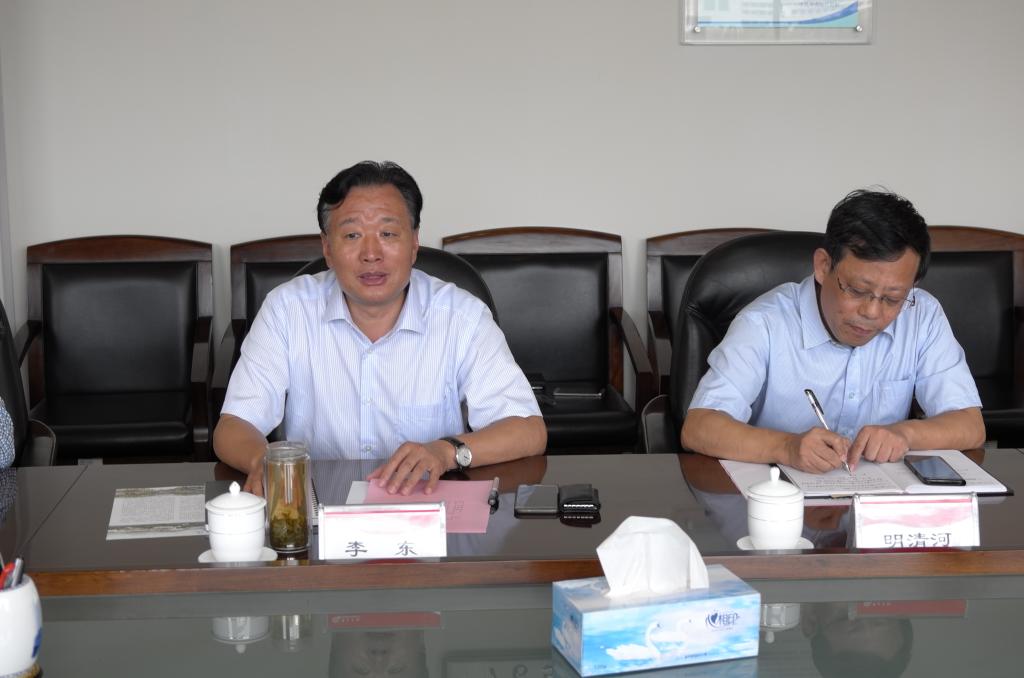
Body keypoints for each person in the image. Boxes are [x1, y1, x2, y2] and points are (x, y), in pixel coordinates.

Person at [215, 161, 546, 495]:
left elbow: (528, 430)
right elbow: (234, 425)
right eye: (352, 235)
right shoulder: (287, 310)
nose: (371, 254)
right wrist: (263, 461)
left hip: (428, 508)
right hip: (318, 507)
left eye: (388, 234)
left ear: (414, 242)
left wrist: (446, 451)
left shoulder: (462, 317)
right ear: (327, 248)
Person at [682, 189, 984, 473]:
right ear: (823, 266)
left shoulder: (922, 315)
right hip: (781, 499)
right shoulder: (763, 323)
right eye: (857, 290)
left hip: (877, 501)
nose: (872, 312)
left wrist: (905, 434)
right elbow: (699, 427)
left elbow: (970, 425)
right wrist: (786, 447)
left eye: (893, 298)